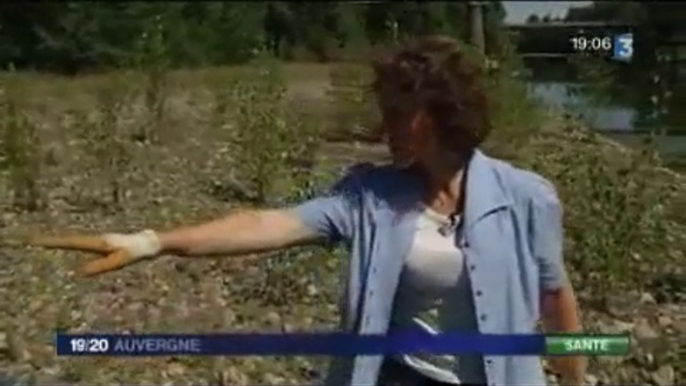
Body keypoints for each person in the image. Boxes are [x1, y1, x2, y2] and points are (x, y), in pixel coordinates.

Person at [26, 36, 585, 386]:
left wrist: (574, 382)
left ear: (436, 113)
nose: (382, 122)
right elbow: (271, 223)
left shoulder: (526, 196)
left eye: (397, 110)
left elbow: (554, 297)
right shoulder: (370, 195)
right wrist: (153, 241)